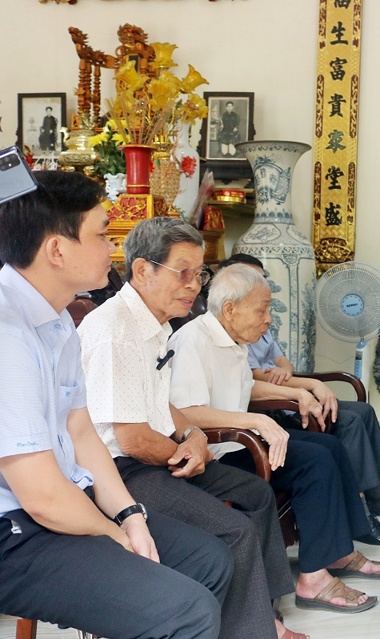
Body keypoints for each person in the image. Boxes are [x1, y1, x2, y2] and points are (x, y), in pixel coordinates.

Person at [0, 171, 232, 639]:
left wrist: (130, 515)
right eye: (103, 234)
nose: (112, 249)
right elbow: (42, 498)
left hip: (66, 501)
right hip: (15, 531)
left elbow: (82, 433)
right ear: (56, 250)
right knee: (188, 611)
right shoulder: (9, 335)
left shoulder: (57, 319)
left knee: (209, 560)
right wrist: (116, 537)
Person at [77, 217, 309, 639]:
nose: (194, 285)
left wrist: (195, 436)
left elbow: (159, 401)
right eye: (182, 273)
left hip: (154, 453)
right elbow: (129, 437)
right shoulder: (116, 330)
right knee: (235, 532)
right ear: (143, 270)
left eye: (199, 274)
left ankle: (264, 613)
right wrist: (187, 452)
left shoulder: (155, 324)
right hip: (117, 471)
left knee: (255, 493)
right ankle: (254, 631)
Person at [168, 264, 380, 614]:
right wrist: (254, 421)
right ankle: (313, 579)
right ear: (230, 309)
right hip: (216, 452)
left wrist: (300, 391)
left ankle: (338, 550)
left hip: (239, 440)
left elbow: (244, 388)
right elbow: (186, 412)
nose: (269, 318)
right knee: (314, 462)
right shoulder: (193, 340)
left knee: (329, 445)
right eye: (262, 309)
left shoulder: (232, 339)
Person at [220, 253, 380, 526]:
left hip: (283, 392)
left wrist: (289, 374)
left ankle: (373, 494)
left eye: (261, 279)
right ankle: (363, 507)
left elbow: (282, 363)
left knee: (364, 411)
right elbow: (257, 380)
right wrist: (309, 386)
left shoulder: (260, 328)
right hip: (273, 405)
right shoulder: (233, 334)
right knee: (346, 422)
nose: (260, 286)